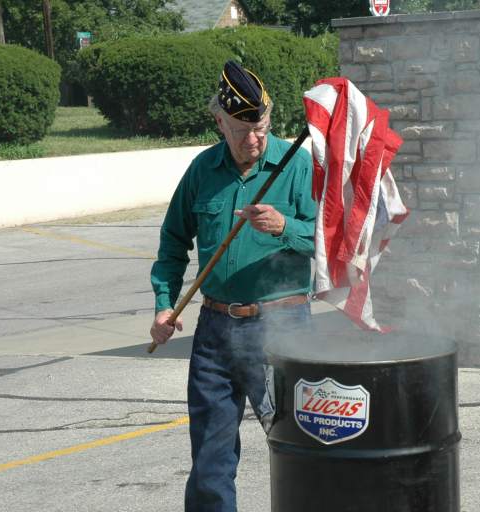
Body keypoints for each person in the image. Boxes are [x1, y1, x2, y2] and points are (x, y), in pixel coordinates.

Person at [149, 60, 316, 512]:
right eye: (241, 130)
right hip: (215, 330)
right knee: (209, 458)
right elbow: (172, 244)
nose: (254, 140)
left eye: (260, 127)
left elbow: (327, 238)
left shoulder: (295, 164)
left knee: (300, 447)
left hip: (283, 326)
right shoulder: (203, 170)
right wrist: (165, 305)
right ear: (219, 122)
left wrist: (284, 226)